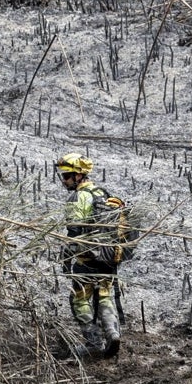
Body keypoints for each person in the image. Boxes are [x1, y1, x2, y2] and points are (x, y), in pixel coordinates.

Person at [59, 152, 122, 357]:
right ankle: (112, 334)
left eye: (67, 175)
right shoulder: (103, 193)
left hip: (87, 258)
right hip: (108, 258)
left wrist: (67, 258)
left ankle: (93, 342)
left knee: (79, 298)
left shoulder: (78, 197)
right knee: (104, 295)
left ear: (79, 176)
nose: (64, 180)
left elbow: (74, 232)